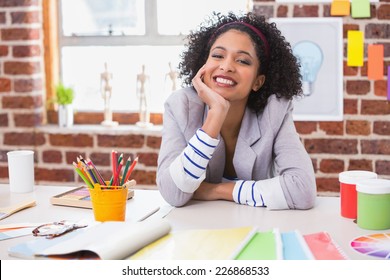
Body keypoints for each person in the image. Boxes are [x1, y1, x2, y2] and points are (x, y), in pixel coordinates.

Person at [157, 12, 316, 210]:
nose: (226, 66)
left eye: (242, 61)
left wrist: (215, 190)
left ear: (258, 81)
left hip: (257, 226)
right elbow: (173, 193)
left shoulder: (275, 110)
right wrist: (216, 113)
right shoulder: (179, 106)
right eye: (217, 55)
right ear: (202, 68)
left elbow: (302, 191)